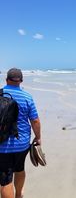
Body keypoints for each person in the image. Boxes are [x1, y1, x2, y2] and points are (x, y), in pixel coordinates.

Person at [0, 68, 41, 198]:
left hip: (2, 145)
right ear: (21, 81)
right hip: (22, 144)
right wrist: (38, 137)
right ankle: (18, 195)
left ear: (6, 80)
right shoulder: (27, 97)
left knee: (5, 178)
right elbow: (35, 121)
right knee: (19, 168)